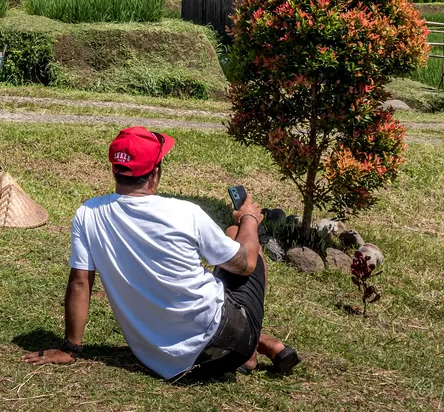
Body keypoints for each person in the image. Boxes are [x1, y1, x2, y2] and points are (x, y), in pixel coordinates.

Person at [23, 126, 299, 380]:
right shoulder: (185, 212)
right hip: (227, 345)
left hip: (162, 361)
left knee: (229, 235)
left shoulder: (88, 214)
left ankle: (265, 344)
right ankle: (251, 351)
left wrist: (71, 348)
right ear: (155, 174)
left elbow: (80, 282)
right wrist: (249, 218)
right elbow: (246, 264)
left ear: (115, 171)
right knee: (246, 244)